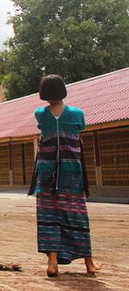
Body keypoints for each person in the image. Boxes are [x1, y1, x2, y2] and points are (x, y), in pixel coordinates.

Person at [28, 74, 100, 278]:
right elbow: (81, 129)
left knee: (49, 217)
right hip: (72, 174)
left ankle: (52, 263)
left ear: (43, 94)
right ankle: (89, 263)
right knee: (77, 215)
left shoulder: (40, 114)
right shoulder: (77, 114)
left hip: (47, 174)